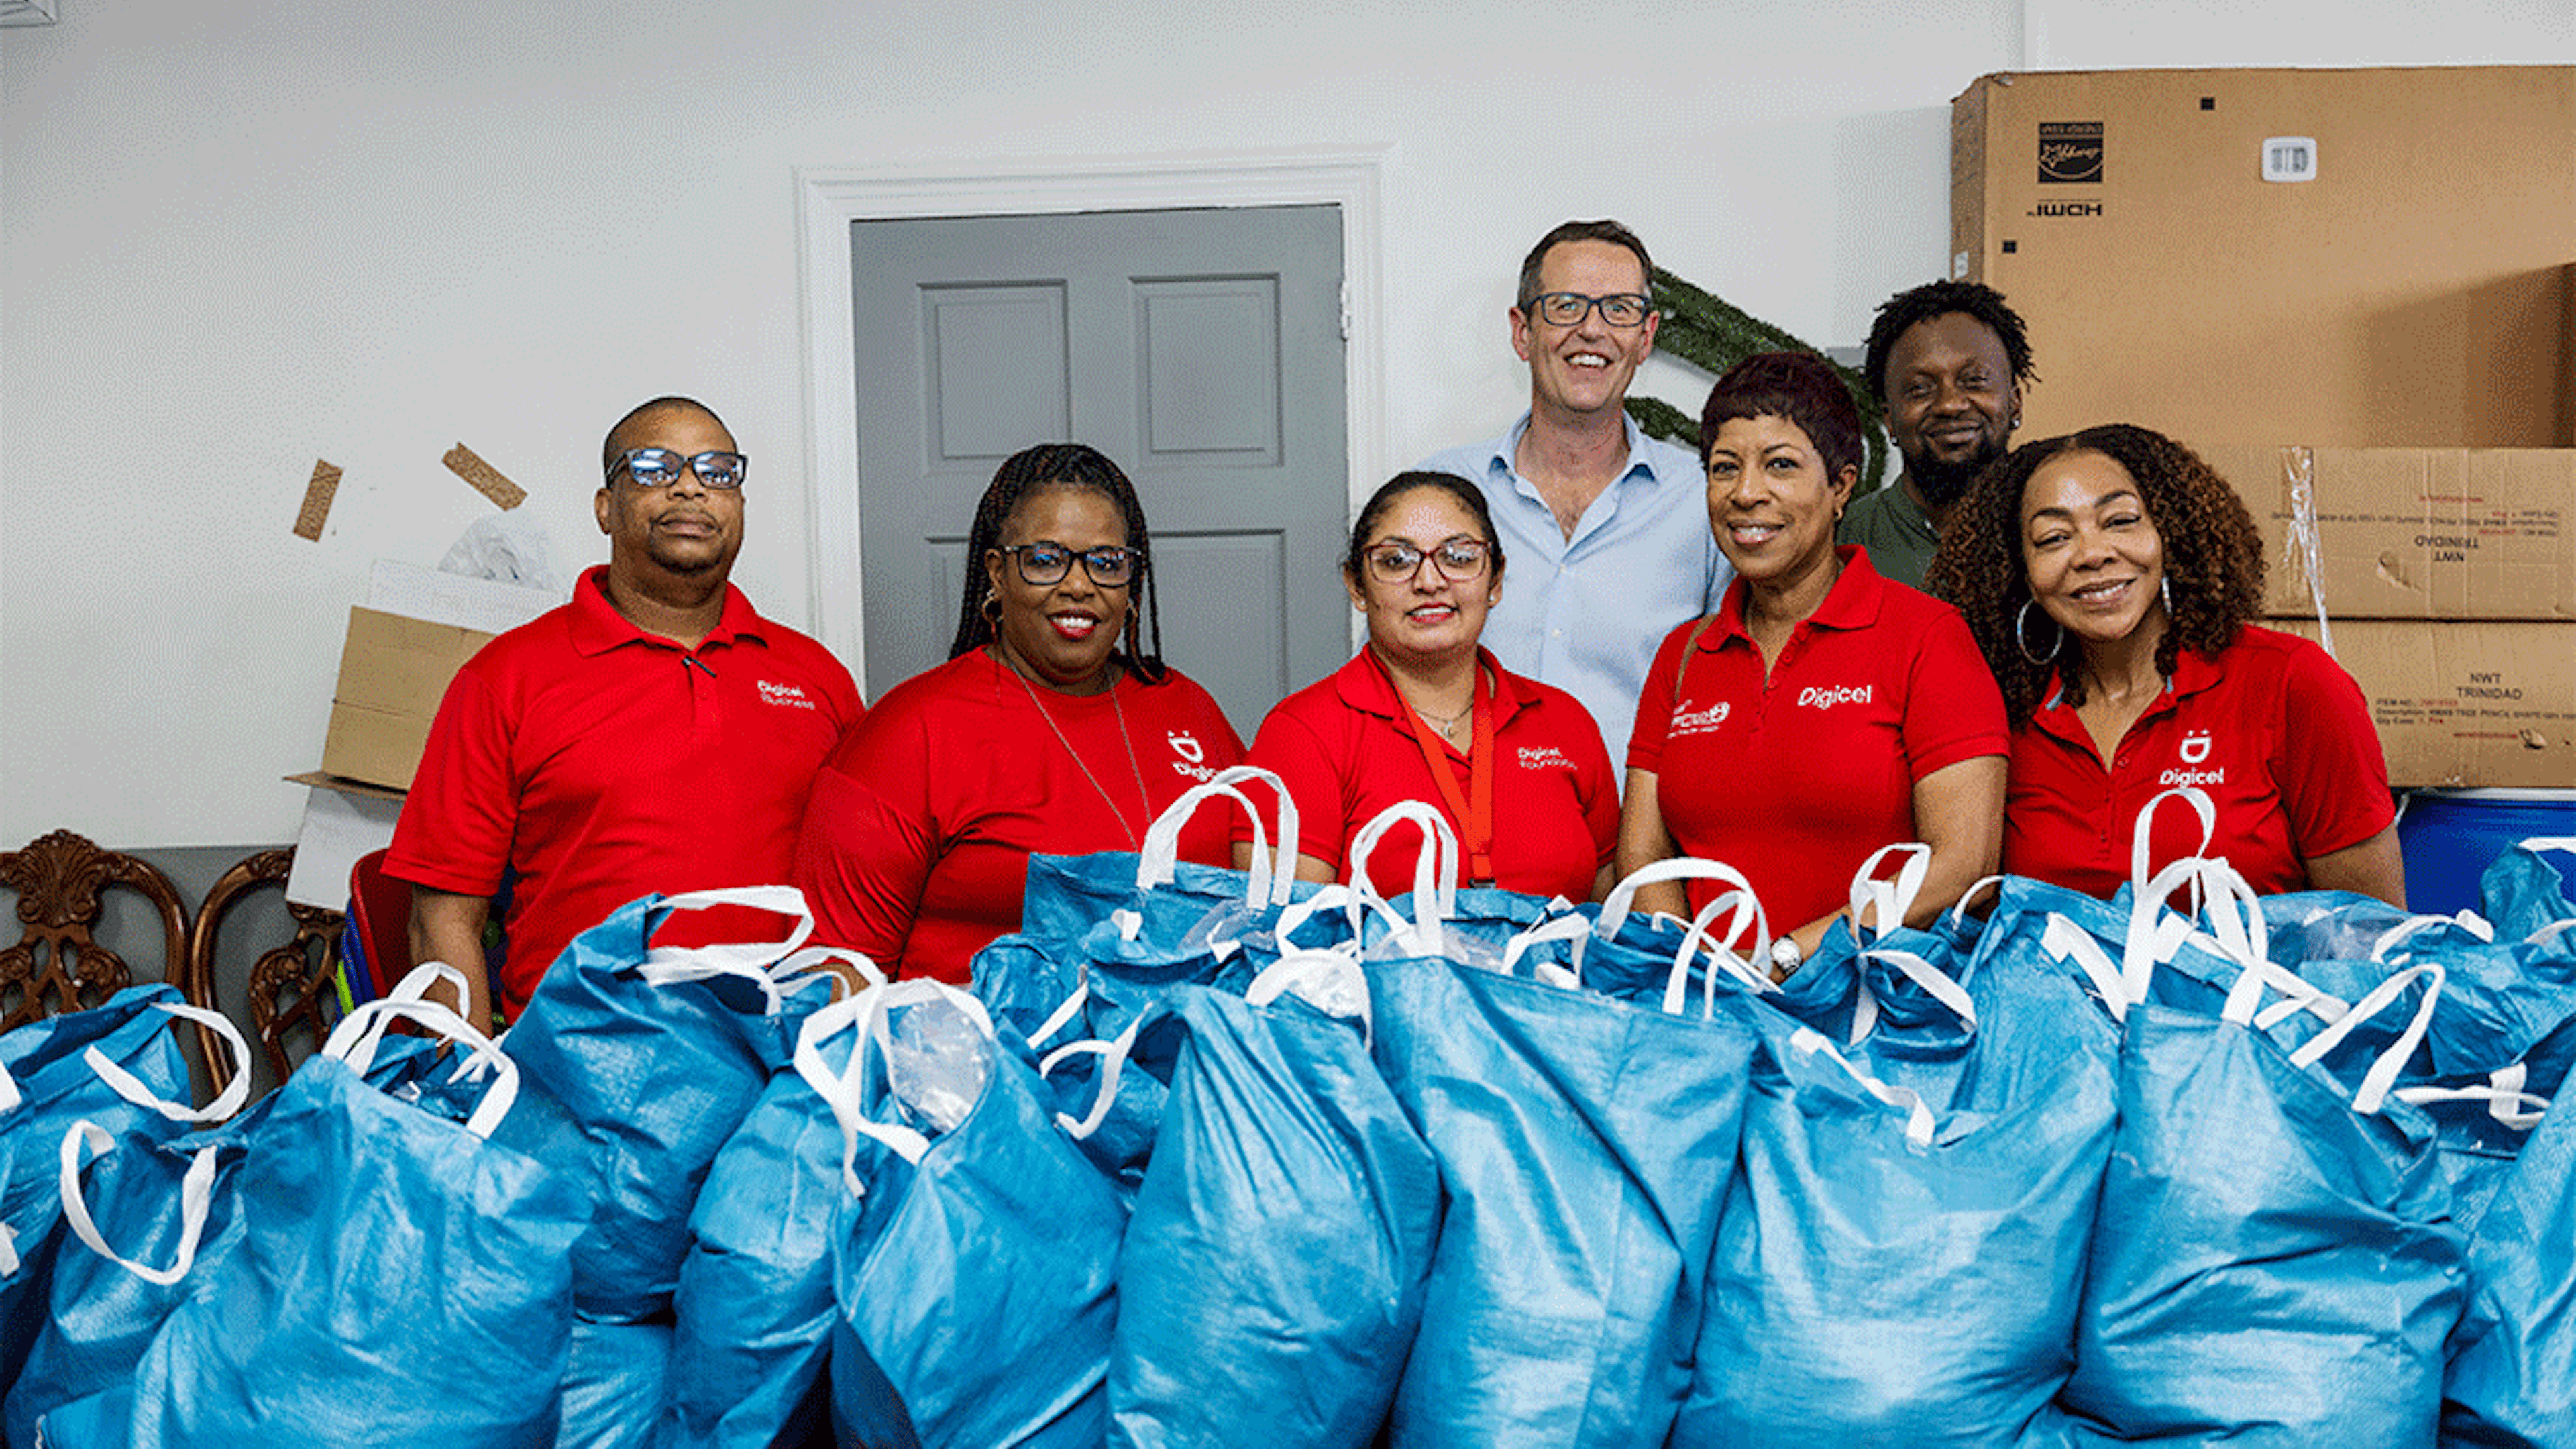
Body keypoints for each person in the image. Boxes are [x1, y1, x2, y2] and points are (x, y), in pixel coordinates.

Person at [385, 396, 863, 1027]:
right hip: (582, 1065)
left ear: (739, 506)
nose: (691, 487)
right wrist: (473, 1091)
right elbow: (442, 918)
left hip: (785, 1059)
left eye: (718, 472)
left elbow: (872, 890)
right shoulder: (505, 680)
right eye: (653, 467)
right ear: (606, 508)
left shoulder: (815, 677)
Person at [1619, 352, 2008, 979]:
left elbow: (1965, 865)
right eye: (1725, 469)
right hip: (1705, 1007)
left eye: (1781, 465)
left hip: (1867, 1014)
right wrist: (1693, 967)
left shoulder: (1926, 636)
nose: (1747, 493)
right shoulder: (1685, 652)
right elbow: (1642, 855)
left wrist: (1791, 958)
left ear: (1841, 486)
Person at [794, 443, 1245, 981]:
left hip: (1178, 1049)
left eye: (1106, 563)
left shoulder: (1188, 708)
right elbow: (833, 969)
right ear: (997, 573)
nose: (1079, 585)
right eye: (1045, 560)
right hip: (980, 1055)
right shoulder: (910, 732)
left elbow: (1256, 908)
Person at [1923, 423, 2404, 903]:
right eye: (2053, 538)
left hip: (2256, 978)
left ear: (2169, 535)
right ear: (2021, 573)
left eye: (2120, 521)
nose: (2092, 554)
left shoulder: (2292, 681)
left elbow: (2368, 930)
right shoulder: (1999, 707)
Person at [1417, 219, 1730, 771]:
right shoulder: (1440, 495)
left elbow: (1734, 693)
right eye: (1566, 306)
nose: (1593, 330)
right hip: (1471, 836)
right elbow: (1386, 678)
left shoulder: (1702, 501)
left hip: (1643, 843)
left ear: (1646, 336)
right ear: (1522, 331)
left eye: (1619, 309)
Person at [1237, 472, 1619, 902]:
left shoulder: (1564, 721)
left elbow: (1607, 915)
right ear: (1356, 586)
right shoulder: (1302, 733)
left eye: (1458, 556)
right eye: (1396, 560)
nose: (1430, 582)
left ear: (1495, 581)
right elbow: (1282, 938)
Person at [1838, 280, 2037, 590]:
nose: (1950, 404)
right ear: (1888, 418)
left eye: (1975, 380)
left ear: (2015, 403)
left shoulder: (2057, 528)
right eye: (1919, 388)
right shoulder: (1843, 542)